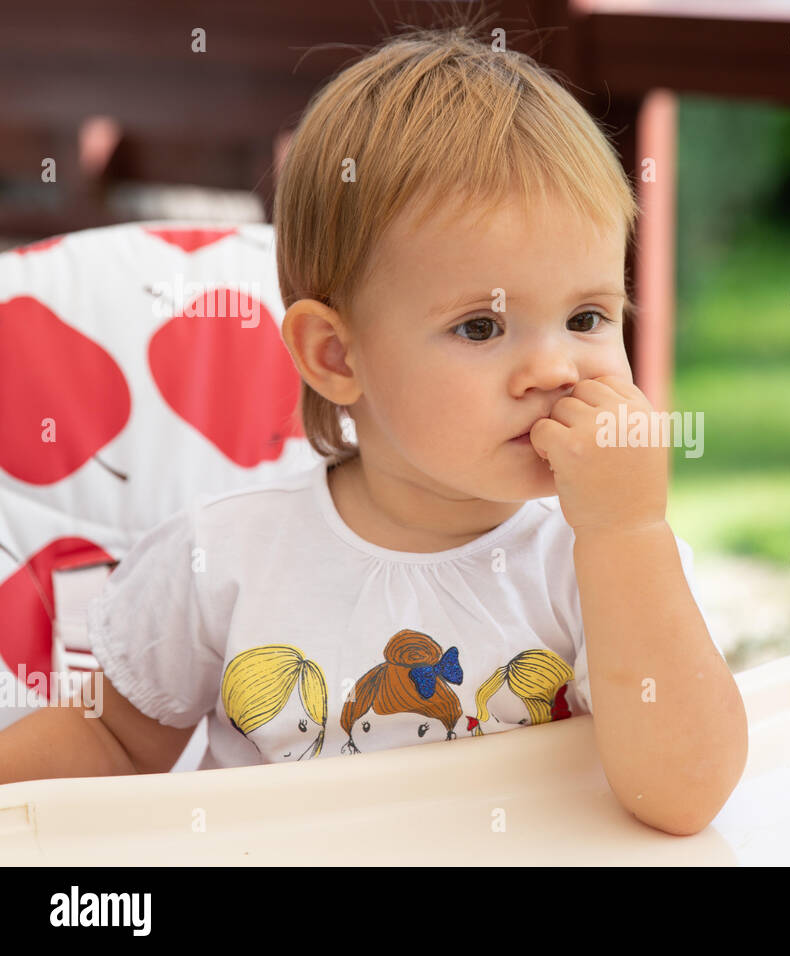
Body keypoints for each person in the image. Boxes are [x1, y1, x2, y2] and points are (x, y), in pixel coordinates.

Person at [0, 23, 747, 837]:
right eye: (480, 328)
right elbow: (109, 743)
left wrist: (626, 530)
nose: (557, 369)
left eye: (588, 315)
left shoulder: (602, 565)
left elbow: (684, 796)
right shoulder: (222, 564)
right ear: (335, 355)